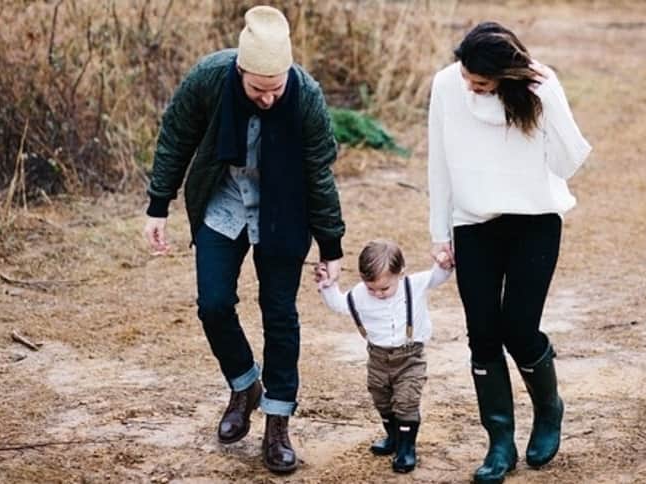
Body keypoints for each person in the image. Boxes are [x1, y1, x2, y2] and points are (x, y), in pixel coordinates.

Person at [142, 5, 345, 474]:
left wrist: (330, 245)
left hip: (283, 208)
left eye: (276, 88)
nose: (268, 98)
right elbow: (176, 137)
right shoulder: (210, 78)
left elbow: (319, 174)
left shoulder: (306, 97)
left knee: (279, 314)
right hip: (225, 200)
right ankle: (244, 385)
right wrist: (158, 204)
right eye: (258, 89)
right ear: (240, 71)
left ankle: (277, 422)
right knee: (213, 303)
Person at [427, 21, 592, 484]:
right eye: (466, 76)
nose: (470, 86)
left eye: (480, 82)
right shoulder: (446, 85)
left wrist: (549, 94)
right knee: (482, 334)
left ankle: (549, 409)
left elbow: (567, 163)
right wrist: (440, 233)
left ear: (506, 76)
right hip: (472, 223)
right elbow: (438, 161)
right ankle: (500, 442)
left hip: (534, 222)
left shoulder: (539, 89)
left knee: (519, 330)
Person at [315, 239, 452, 473]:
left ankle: (407, 448)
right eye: (372, 288)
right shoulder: (360, 294)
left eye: (385, 288)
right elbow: (339, 304)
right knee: (381, 399)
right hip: (377, 358)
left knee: (406, 401)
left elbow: (438, 276)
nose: (378, 294)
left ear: (401, 273)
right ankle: (393, 437)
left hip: (410, 357)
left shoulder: (414, 285)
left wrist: (444, 263)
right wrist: (327, 285)